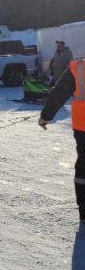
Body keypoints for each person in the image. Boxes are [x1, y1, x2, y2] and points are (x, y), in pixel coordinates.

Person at [39, 59, 85, 220]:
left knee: (83, 168)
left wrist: (46, 116)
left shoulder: (78, 68)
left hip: (83, 127)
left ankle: (84, 210)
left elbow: (59, 93)